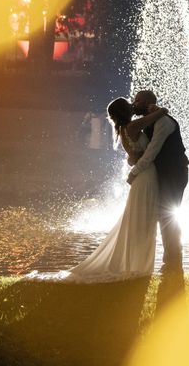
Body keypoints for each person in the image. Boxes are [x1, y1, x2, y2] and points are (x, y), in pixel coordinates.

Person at [26, 97, 168, 283]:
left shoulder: (124, 130)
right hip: (146, 177)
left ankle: (137, 265)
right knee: (143, 222)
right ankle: (138, 266)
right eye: (129, 106)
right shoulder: (133, 127)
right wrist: (154, 108)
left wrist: (133, 159)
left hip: (143, 177)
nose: (133, 106)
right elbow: (163, 112)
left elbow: (135, 154)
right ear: (125, 112)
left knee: (140, 222)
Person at [128, 90, 189, 273]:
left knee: (168, 215)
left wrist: (134, 172)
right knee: (162, 215)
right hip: (162, 173)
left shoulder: (163, 122)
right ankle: (169, 261)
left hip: (174, 173)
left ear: (148, 102)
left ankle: (173, 261)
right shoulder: (152, 121)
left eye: (138, 101)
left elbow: (153, 151)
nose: (134, 103)